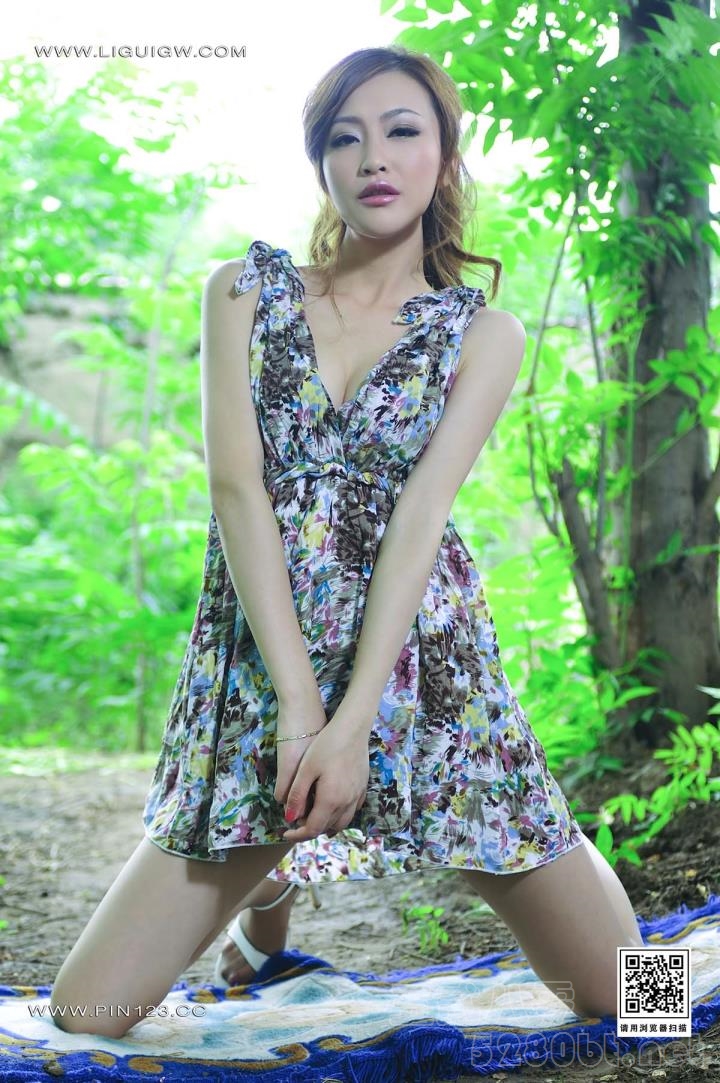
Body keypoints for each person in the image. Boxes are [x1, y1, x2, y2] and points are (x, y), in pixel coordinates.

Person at [50, 44, 644, 1037]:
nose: (374, 156)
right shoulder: (243, 292)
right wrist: (300, 709)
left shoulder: (483, 336)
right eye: (345, 137)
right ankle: (265, 906)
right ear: (320, 162)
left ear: (443, 158)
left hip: (428, 679)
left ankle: (538, 862)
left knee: (636, 1001)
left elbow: (421, 517)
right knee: (83, 1013)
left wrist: (355, 719)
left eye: (402, 131)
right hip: (263, 675)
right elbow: (237, 490)